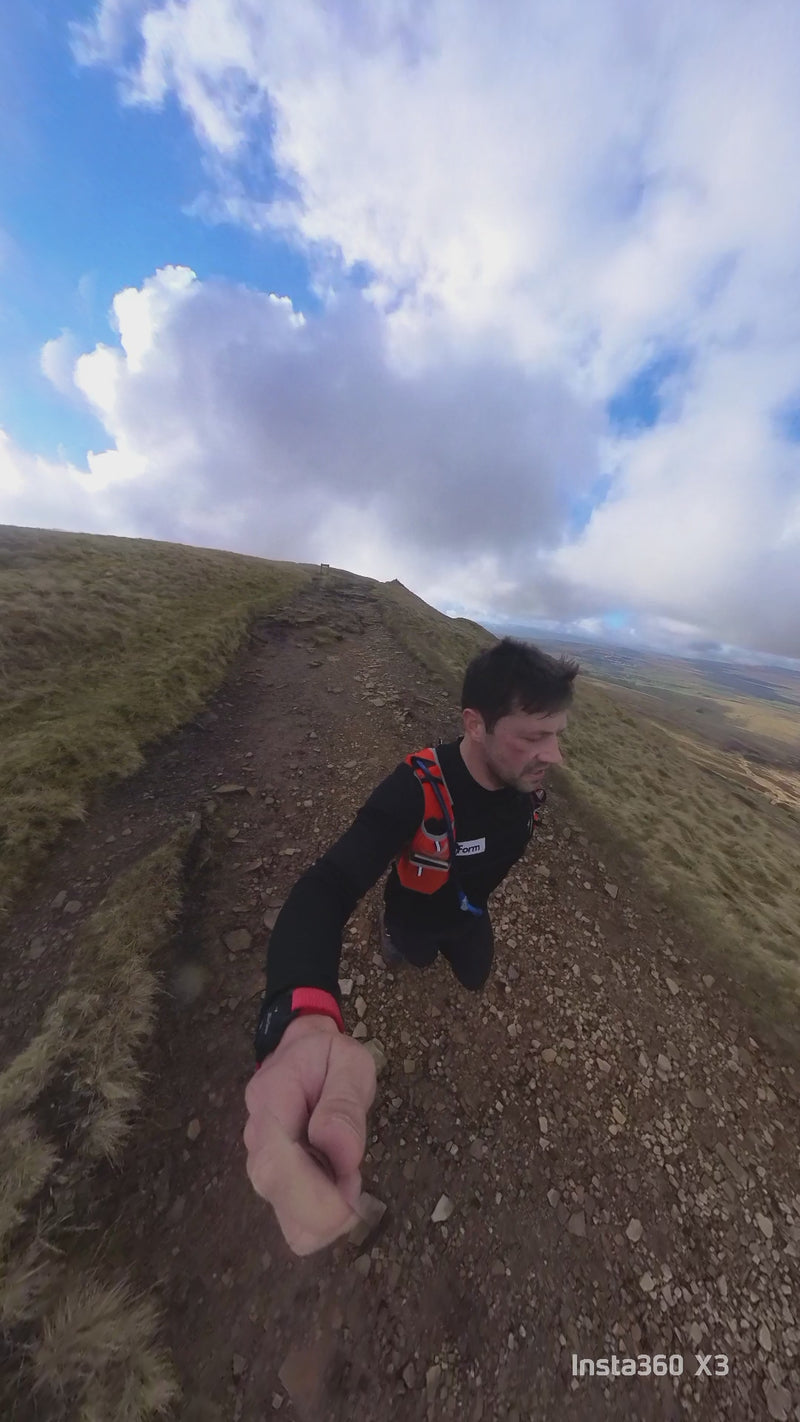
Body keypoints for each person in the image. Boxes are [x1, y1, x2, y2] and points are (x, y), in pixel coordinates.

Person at [243, 637, 579, 1255]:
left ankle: (430, 941)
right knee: (409, 953)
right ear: (473, 724)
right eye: (532, 737)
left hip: (468, 914)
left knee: (475, 972)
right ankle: (392, 942)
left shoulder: (527, 785)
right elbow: (329, 884)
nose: (552, 756)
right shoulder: (416, 788)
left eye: (556, 734)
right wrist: (300, 1024)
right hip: (416, 915)